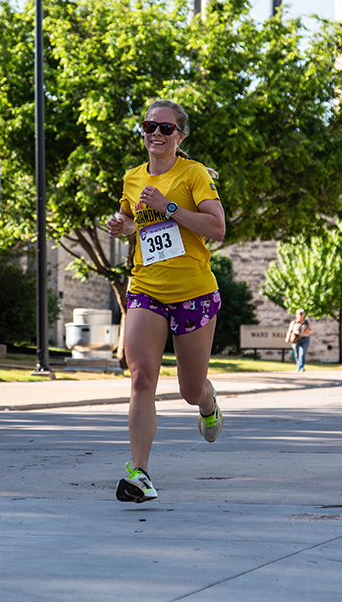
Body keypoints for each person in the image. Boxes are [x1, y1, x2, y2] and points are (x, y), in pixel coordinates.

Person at [105, 99, 226, 504]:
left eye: (165, 129)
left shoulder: (193, 174)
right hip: (146, 288)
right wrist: (120, 225)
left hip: (193, 291)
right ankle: (140, 474)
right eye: (148, 127)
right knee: (141, 379)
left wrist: (169, 207)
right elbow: (129, 221)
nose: (155, 134)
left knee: (189, 390)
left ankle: (207, 402)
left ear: (181, 136)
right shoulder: (132, 178)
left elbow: (217, 228)